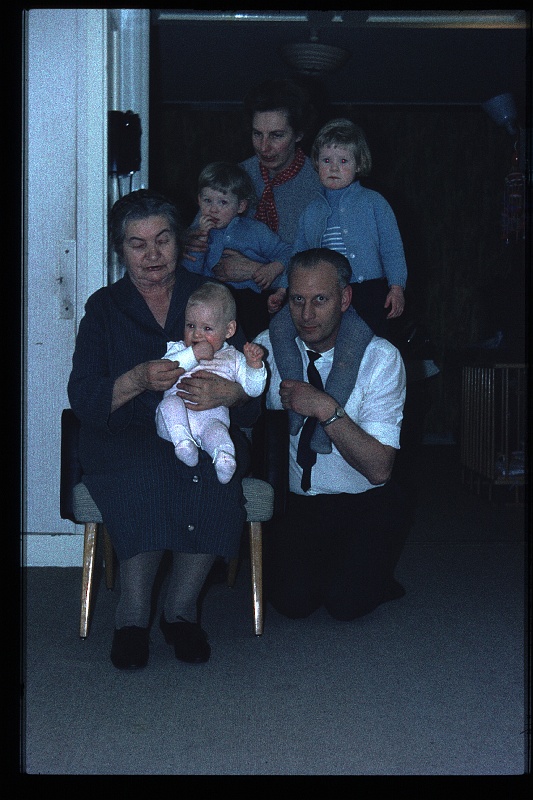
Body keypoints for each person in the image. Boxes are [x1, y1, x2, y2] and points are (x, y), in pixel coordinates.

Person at [68, 189, 261, 670]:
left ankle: (180, 610)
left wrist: (229, 396)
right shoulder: (104, 309)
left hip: (204, 425)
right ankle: (132, 616)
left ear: (180, 242)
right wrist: (135, 380)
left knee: (215, 473)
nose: (152, 255)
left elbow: (254, 396)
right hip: (123, 434)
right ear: (120, 250)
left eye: (162, 240)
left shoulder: (212, 298)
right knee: (150, 471)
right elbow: (84, 398)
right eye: (138, 244)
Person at [254, 248, 409, 621]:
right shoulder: (267, 347)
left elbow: (380, 469)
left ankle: (376, 572)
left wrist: (324, 408)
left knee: (345, 604)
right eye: (298, 300)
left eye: (320, 300)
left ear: (345, 298)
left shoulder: (381, 359)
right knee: (292, 603)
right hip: (299, 503)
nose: (307, 315)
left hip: (365, 500)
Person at [186, 78, 322, 317]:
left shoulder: (320, 186)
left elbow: (325, 268)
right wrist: (189, 240)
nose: (264, 147)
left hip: (299, 309)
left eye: (277, 135)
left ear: (299, 134)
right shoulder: (232, 178)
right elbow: (192, 241)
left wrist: (256, 270)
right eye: (257, 134)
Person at [289, 118, 408, 337]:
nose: (334, 167)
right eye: (326, 160)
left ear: (359, 164)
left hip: (368, 290)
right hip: (325, 293)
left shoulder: (374, 202)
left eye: (343, 161)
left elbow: (392, 249)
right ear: (316, 163)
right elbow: (298, 254)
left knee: (368, 343)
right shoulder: (311, 210)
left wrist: (396, 287)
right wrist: (284, 287)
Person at [155, 281, 266, 484]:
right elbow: (165, 369)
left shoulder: (233, 357)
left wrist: (254, 366)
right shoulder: (178, 350)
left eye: (207, 328)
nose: (197, 334)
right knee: (169, 405)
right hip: (173, 421)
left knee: (218, 432)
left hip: (212, 420)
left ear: (229, 330)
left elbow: (253, 389)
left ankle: (224, 460)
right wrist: (192, 354)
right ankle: (183, 444)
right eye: (190, 326)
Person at [182, 162, 291, 337]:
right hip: (214, 301)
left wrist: (274, 267)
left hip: (251, 300)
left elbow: (288, 251)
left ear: (241, 206)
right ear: (198, 200)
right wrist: (201, 240)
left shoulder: (255, 230)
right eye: (207, 200)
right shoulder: (198, 234)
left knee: (253, 340)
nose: (213, 209)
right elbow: (191, 273)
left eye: (223, 202)